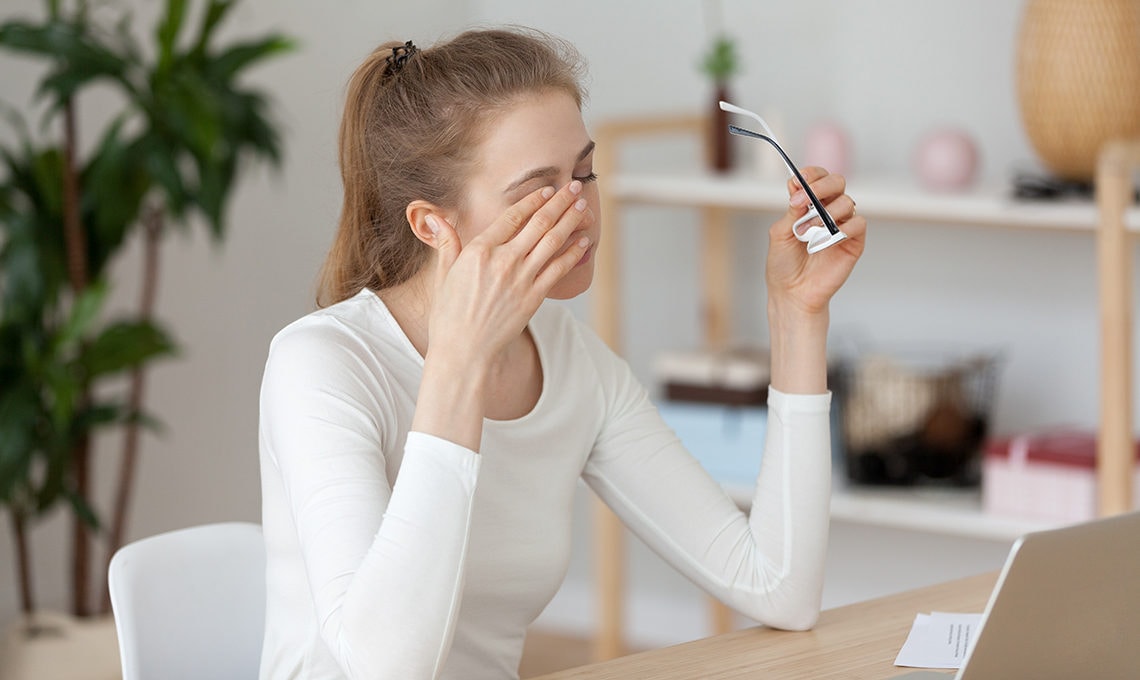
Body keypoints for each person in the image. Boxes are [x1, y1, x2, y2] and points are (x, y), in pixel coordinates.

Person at [258, 28, 866, 680]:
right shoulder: (322, 364)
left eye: (585, 173)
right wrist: (460, 364)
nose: (581, 210)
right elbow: (384, 667)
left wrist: (796, 317)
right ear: (433, 226)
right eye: (539, 191)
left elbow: (779, 587)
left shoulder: (572, 363)